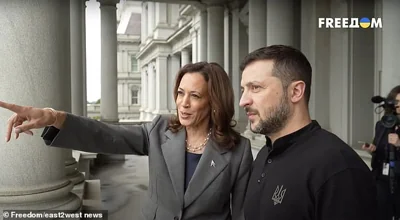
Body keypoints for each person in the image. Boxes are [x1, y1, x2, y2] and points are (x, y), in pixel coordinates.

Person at [1, 62, 253, 220]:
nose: (183, 103)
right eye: (180, 93)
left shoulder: (238, 151)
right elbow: (105, 135)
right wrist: (53, 117)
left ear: (214, 102)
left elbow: (241, 213)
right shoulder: (159, 130)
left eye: (195, 96)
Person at [239, 45, 377, 220]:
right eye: (243, 89)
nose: (243, 101)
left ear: (296, 92)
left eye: (256, 87)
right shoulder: (264, 155)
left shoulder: (339, 168)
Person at [361, 85, 400, 220]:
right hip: (381, 177)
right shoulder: (382, 125)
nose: (398, 105)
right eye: (397, 102)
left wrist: (399, 144)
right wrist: (373, 149)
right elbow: (379, 147)